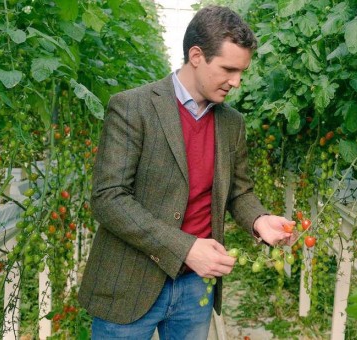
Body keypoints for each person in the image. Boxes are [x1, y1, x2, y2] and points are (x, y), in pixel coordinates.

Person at [78, 6, 296, 339]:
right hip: (130, 282)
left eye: (241, 72)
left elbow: (238, 190)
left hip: (196, 286)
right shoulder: (132, 107)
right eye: (228, 69)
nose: (236, 82)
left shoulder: (232, 123)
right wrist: (185, 248)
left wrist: (258, 219)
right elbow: (109, 199)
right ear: (196, 55)